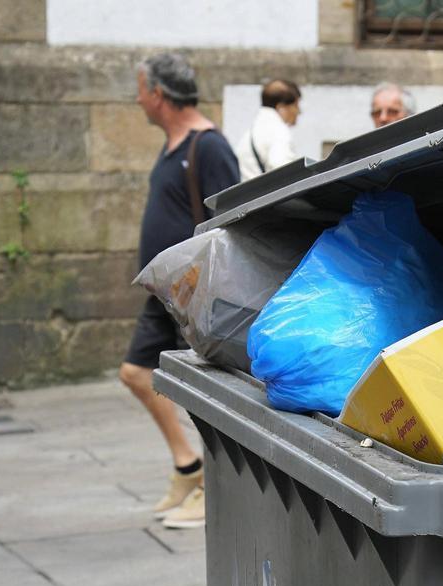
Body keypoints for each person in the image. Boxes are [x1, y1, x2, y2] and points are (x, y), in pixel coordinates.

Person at [119, 53, 240, 530]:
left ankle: (215, 484)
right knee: (135, 373)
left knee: (205, 392)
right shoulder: (173, 145)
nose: (137, 99)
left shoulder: (209, 146)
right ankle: (189, 466)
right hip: (164, 292)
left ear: (160, 96)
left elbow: (229, 221)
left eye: (141, 89)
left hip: (195, 294)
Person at [234, 79, 302, 181]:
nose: (299, 111)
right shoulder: (278, 132)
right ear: (281, 107)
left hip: (250, 195)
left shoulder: (253, 131)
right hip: (267, 196)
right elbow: (283, 171)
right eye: (296, 105)